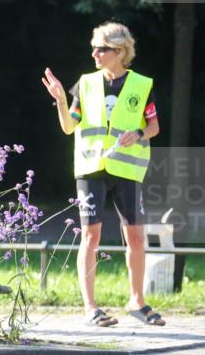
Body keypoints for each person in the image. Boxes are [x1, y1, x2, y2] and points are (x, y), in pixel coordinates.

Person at [42, 21, 165, 328]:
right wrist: (61, 100)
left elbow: (154, 127)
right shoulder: (85, 84)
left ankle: (137, 302)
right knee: (90, 236)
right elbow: (69, 127)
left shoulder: (141, 85)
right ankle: (91, 308)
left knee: (135, 236)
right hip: (91, 167)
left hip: (127, 168)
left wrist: (138, 133)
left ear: (120, 52)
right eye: (93, 48)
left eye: (101, 49)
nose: (94, 54)